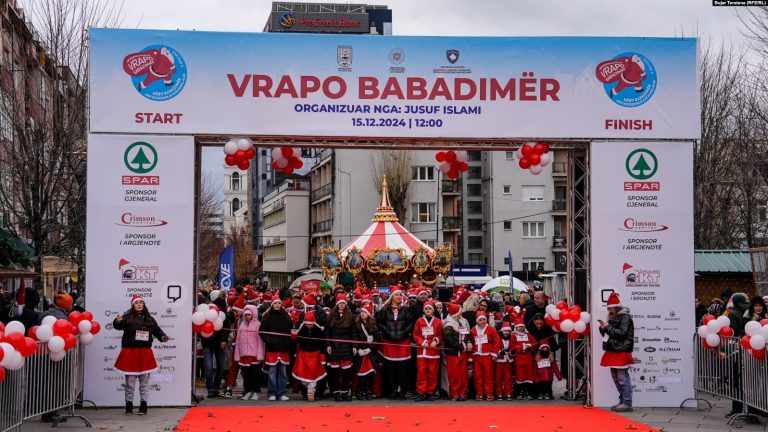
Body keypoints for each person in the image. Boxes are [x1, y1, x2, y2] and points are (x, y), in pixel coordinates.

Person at [113, 295, 170, 416]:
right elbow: (118, 325)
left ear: (144, 305)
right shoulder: (126, 317)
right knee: (130, 382)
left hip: (145, 352)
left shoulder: (150, 319)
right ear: (132, 305)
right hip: (130, 352)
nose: (139, 304)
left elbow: (158, 331)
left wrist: (163, 337)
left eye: (141, 303)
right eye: (136, 303)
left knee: (144, 382)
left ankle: (143, 405)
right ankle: (129, 405)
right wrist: (117, 321)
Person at [598, 292, 635, 413]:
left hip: (621, 350)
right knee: (616, 378)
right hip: (613, 350)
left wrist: (607, 327)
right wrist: (603, 328)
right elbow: (610, 334)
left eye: (610, 308)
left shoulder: (625, 317)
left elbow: (622, 333)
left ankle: (627, 402)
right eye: (608, 308)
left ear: (617, 306)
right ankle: (623, 400)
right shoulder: (613, 317)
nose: (609, 310)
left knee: (623, 378)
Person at [375, 289, 414, 400]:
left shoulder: (405, 310)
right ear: (392, 297)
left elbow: (411, 323)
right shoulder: (385, 310)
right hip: (389, 342)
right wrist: (387, 331)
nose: (399, 296)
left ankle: (401, 391)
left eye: (400, 295)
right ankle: (392, 391)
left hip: (403, 342)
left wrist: (405, 332)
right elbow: (379, 322)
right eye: (396, 295)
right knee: (391, 368)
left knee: (402, 368)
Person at [259, 297, 293, 401]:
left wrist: (288, 342)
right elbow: (262, 332)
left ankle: (281, 392)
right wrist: (269, 341)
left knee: (283, 372)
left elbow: (291, 331)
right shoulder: (267, 317)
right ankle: (272, 393)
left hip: (284, 349)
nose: (277, 305)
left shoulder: (286, 317)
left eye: (279, 303)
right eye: (275, 303)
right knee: (272, 372)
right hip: (272, 349)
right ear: (272, 305)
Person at [325, 293, 356, 402]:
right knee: (335, 372)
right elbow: (327, 332)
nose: (342, 305)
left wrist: (354, 345)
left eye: (343, 303)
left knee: (346, 373)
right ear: (337, 304)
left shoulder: (350, 316)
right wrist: (328, 344)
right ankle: (336, 392)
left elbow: (353, 332)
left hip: (346, 347)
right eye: (340, 303)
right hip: (334, 347)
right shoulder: (331, 316)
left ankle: (345, 392)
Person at [292, 311, 326, 401]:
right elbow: (296, 341)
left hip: (315, 354)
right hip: (303, 354)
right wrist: (294, 336)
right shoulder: (301, 329)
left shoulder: (319, 330)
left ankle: (313, 393)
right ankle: (305, 392)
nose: (309, 326)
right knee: (303, 374)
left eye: (311, 324)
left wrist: (322, 356)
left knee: (314, 374)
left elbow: (323, 343)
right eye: (307, 324)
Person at [201, 297, 231, 398]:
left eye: (220, 306)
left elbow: (226, 330)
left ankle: (216, 388)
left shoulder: (225, 316)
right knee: (208, 367)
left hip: (219, 344)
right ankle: (210, 389)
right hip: (207, 343)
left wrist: (223, 340)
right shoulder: (207, 314)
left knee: (221, 368)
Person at [412, 301, 442, 401]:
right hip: (422, 350)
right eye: (426, 309)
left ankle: (430, 392)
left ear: (433, 310)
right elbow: (415, 335)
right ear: (423, 310)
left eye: (429, 309)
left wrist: (435, 341)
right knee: (421, 372)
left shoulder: (438, 321)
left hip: (433, 351)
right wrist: (422, 342)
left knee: (432, 372)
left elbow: (440, 335)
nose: (428, 310)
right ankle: (421, 392)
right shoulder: (419, 321)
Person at [233, 305, 265, 401]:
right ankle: (248, 391)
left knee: (254, 374)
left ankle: (255, 392)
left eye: (249, 315)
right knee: (245, 375)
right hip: (244, 354)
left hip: (254, 355)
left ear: (253, 315)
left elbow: (260, 341)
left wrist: (260, 354)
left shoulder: (258, 325)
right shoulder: (242, 325)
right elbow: (238, 340)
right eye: (246, 315)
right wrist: (237, 354)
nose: (247, 316)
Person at [442, 302, 472, 401]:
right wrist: (460, 347)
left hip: (463, 352)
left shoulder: (462, 322)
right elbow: (448, 339)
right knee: (454, 375)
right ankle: (454, 393)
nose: (461, 314)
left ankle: (463, 393)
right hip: (453, 353)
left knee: (463, 374)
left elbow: (467, 334)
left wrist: (468, 342)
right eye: (459, 312)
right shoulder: (449, 325)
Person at [470, 311, 500, 401]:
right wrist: (470, 355)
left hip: (487, 355)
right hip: (477, 356)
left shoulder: (491, 329)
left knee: (488, 375)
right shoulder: (473, 330)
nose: (482, 321)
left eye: (484, 319)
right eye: (480, 320)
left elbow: (497, 341)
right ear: (477, 321)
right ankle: (479, 393)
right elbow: (470, 342)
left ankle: (489, 393)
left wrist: (495, 352)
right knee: (478, 375)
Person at [354, 303, 380, 401]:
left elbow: (377, 338)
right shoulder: (356, 324)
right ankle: (360, 390)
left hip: (370, 353)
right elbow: (354, 337)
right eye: (362, 312)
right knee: (361, 374)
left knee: (370, 374)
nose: (363, 314)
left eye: (365, 312)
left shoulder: (373, 324)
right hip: (361, 353)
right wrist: (358, 349)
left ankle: (368, 390)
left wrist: (370, 348)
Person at [511, 317, 537, 400]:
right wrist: (521, 347)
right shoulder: (513, 336)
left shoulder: (529, 335)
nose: (521, 328)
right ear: (516, 327)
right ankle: (519, 392)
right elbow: (512, 345)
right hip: (519, 358)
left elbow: (534, 344)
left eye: (522, 326)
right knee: (519, 375)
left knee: (528, 374)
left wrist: (530, 346)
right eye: (519, 326)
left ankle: (528, 392)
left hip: (528, 358)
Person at [494, 322, 514, 400]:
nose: (506, 333)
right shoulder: (498, 338)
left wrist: (512, 351)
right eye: (505, 331)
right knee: (498, 377)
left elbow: (512, 347)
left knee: (508, 377)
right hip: (499, 361)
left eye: (508, 331)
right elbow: (496, 347)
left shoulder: (511, 339)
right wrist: (499, 352)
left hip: (508, 361)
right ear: (502, 331)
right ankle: (499, 393)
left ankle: (508, 393)